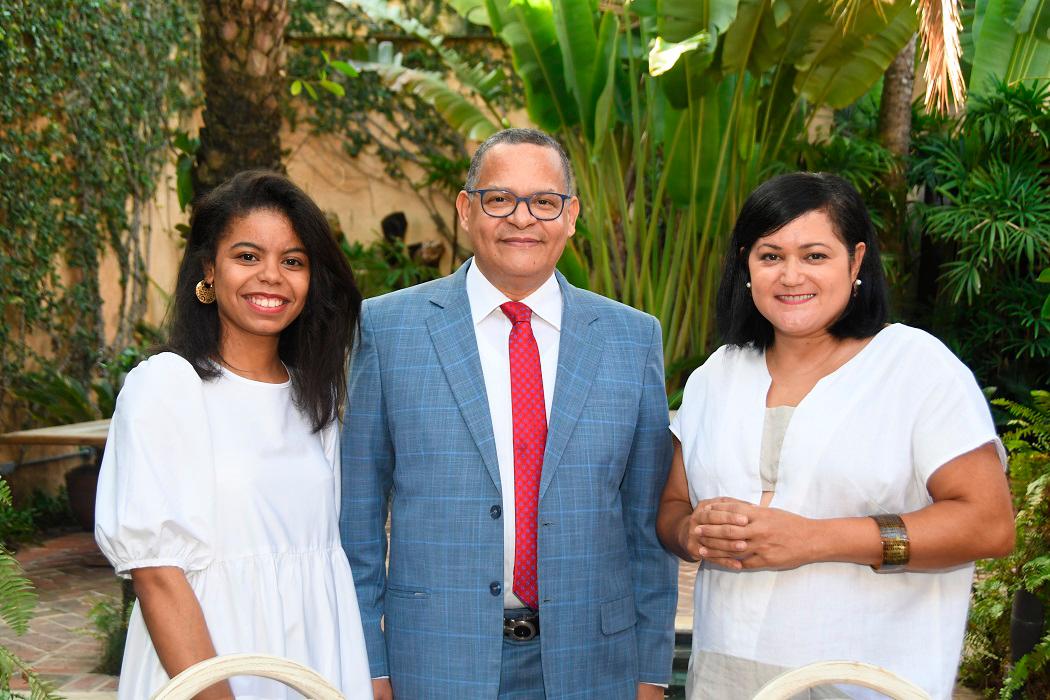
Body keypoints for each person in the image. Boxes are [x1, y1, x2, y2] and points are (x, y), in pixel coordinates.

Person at [341, 128, 678, 699]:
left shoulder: (631, 338)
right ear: (466, 209)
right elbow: (358, 521)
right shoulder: (388, 329)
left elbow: (647, 526)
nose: (523, 218)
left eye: (545, 202)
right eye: (500, 199)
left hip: (592, 664)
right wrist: (369, 665)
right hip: (433, 658)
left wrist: (651, 673)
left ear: (571, 216)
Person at [656, 171, 1015, 699]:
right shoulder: (718, 375)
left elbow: (988, 524)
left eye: (815, 256)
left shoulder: (915, 368)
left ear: (857, 261)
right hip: (725, 673)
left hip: (864, 677)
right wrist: (690, 534)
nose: (790, 275)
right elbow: (672, 505)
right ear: (746, 267)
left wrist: (814, 540)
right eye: (770, 255)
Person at [95, 171, 373, 699]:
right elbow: (157, 574)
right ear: (208, 269)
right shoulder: (168, 387)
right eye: (247, 256)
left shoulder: (316, 398)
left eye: (293, 261)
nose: (271, 276)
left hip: (315, 661)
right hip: (207, 663)